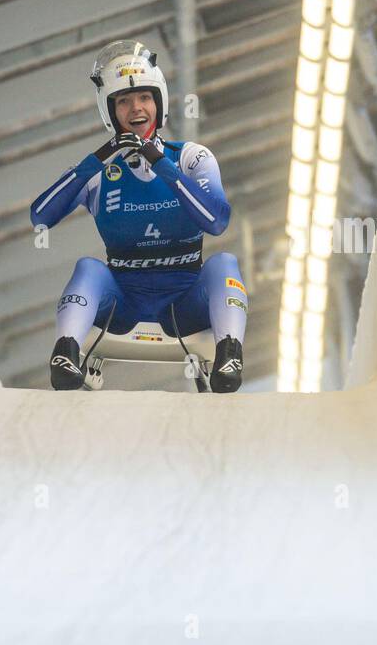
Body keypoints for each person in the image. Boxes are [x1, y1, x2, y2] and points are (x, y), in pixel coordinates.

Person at [29, 41, 247, 393]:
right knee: (88, 267)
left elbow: (217, 221)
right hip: (122, 304)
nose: (136, 109)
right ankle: (65, 352)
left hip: (186, 304)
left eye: (144, 98)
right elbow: (40, 216)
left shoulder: (192, 158)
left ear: (158, 103)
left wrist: (162, 165)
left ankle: (230, 354)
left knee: (224, 263)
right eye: (123, 102)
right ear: (110, 112)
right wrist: (96, 160)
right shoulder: (100, 171)